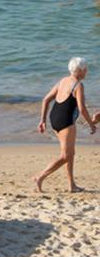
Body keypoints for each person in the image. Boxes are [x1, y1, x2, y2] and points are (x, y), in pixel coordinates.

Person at [35, 57, 96, 192]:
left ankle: (71, 185)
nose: (87, 71)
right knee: (66, 156)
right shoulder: (78, 85)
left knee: (70, 153)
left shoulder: (63, 81)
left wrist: (43, 120)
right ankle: (40, 176)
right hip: (65, 121)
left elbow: (46, 100)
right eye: (85, 69)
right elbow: (82, 109)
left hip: (55, 117)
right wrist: (91, 124)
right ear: (79, 71)